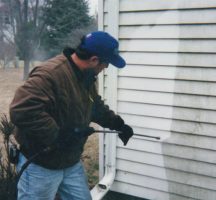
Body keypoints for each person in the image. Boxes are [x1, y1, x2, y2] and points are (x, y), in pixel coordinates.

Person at [9, 31, 133, 200]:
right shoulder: (50, 75)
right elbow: (22, 109)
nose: (105, 68)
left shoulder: (86, 77)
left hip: (70, 161)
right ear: (94, 60)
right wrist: (59, 134)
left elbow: (94, 105)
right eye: (106, 64)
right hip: (41, 164)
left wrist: (118, 125)